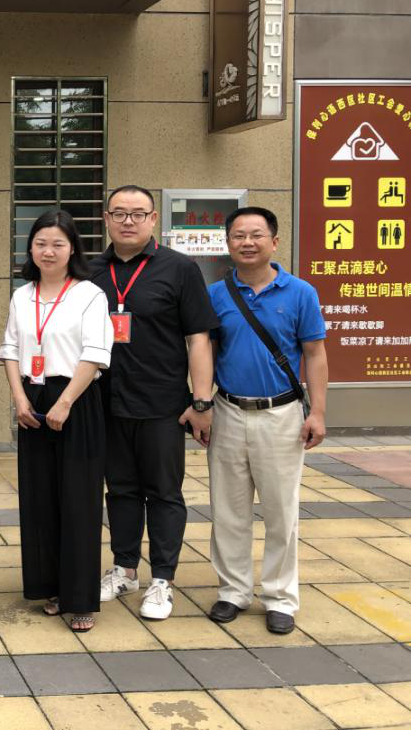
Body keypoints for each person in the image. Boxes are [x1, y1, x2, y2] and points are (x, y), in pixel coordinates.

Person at [89, 185, 218, 621]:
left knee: (164, 493)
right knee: (120, 490)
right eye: (119, 213)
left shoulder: (180, 269)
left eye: (138, 213)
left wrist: (202, 401)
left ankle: (162, 579)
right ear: (106, 219)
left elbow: (198, 338)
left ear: (153, 219)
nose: (128, 221)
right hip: (106, 402)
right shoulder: (91, 271)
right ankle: (125, 569)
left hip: (163, 404)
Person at [206, 206, 327, 635]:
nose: (247, 242)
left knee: (281, 511)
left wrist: (318, 411)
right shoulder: (216, 294)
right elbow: (204, 352)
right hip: (227, 410)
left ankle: (280, 597)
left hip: (281, 415)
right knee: (228, 509)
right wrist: (200, 404)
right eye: (238, 236)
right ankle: (233, 591)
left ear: (274, 242)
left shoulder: (300, 292)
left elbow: (314, 353)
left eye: (256, 235)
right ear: (228, 244)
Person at [1, 210, 113, 632]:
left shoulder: (89, 294)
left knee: (79, 500)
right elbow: (10, 349)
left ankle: (80, 598)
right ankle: (50, 587)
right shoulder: (22, 295)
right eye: (41, 243)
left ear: (72, 249)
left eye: (57, 244)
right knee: (40, 498)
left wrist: (65, 402)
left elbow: (96, 354)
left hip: (76, 400)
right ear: (30, 248)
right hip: (32, 398)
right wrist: (18, 398)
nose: (48, 251)